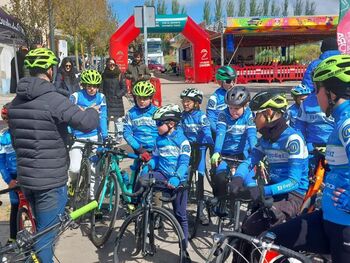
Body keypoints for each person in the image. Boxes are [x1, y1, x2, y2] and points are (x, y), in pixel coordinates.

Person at [8, 47, 99, 263]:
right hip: (50, 182)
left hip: (27, 179)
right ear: (50, 70)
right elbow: (85, 123)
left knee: (39, 229)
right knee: (46, 238)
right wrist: (94, 111)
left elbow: (16, 140)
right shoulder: (53, 98)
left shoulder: (15, 104)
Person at [269, 54, 350, 263]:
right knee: (271, 239)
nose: (315, 96)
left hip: (344, 225)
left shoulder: (347, 123)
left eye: (317, 90)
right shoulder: (341, 119)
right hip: (329, 217)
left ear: (331, 94)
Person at [228, 91, 309, 236]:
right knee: (244, 230)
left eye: (255, 115)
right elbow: (249, 161)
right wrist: (238, 178)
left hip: (293, 195)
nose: (253, 120)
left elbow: (294, 181)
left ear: (268, 112)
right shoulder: (266, 139)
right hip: (274, 189)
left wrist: (263, 191)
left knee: (258, 230)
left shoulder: (292, 139)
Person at [140, 104, 191, 261]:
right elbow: (156, 158)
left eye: (159, 124)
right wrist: (148, 166)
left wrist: (176, 177)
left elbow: (183, 163)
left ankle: (184, 250)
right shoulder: (159, 140)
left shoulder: (183, 142)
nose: (156, 127)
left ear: (171, 124)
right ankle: (142, 208)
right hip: (162, 174)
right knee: (142, 181)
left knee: (180, 215)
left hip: (179, 181)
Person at [210, 86, 257, 198]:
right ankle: (220, 202)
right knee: (220, 178)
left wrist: (255, 153)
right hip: (225, 153)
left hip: (242, 153)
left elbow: (252, 135)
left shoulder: (248, 114)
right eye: (230, 108)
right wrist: (217, 151)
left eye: (236, 108)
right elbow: (220, 133)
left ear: (244, 105)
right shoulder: (223, 114)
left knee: (250, 183)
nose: (233, 111)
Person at [295, 37, 340, 154]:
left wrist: (310, 100)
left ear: (322, 49)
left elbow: (306, 86)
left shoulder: (315, 64)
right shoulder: (344, 61)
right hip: (338, 144)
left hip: (313, 142)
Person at [69, 69, 107, 200]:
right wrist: (69, 133)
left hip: (94, 136)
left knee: (94, 171)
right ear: (84, 85)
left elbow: (103, 118)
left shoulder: (101, 97)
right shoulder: (76, 96)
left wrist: (105, 136)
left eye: (95, 86)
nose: (92, 89)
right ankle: (72, 184)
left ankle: (93, 199)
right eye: (89, 86)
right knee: (74, 169)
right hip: (78, 136)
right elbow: (69, 116)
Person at [180, 87, 213, 225]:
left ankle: (201, 212)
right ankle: (181, 209)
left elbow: (207, 131)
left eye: (188, 101)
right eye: (184, 101)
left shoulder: (201, 116)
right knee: (185, 178)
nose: (185, 104)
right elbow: (179, 132)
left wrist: (210, 141)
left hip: (200, 148)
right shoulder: (182, 116)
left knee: (200, 178)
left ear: (196, 103)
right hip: (188, 148)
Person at [123, 81, 158, 181]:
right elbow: (127, 133)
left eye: (145, 98)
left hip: (155, 150)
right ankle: (126, 181)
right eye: (139, 98)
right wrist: (139, 148)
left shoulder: (157, 112)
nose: (141, 101)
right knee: (135, 182)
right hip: (138, 149)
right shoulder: (131, 113)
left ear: (151, 99)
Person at [0, 103, 18, 243]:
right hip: (12, 177)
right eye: (5, 118)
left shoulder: (25, 133)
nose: (9, 121)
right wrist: (8, 180)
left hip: (28, 174)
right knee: (15, 206)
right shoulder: (3, 138)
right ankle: (12, 238)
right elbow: (1, 162)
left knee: (34, 205)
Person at [206, 66, 237, 136]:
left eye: (234, 80)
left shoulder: (237, 94)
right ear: (220, 82)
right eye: (228, 81)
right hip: (220, 132)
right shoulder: (214, 98)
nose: (232, 84)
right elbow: (210, 119)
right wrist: (219, 132)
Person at [101, 58, 127, 132]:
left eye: (113, 64)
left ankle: (118, 136)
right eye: (109, 64)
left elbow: (124, 88)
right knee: (106, 119)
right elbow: (101, 87)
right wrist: (102, 97)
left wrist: (118, 95)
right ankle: (106, 135)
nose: (111, 66)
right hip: (107, 100)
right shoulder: (104, 74)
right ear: (107, 65)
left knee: (118, 120)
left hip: (117, 101)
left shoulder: (119, 74)